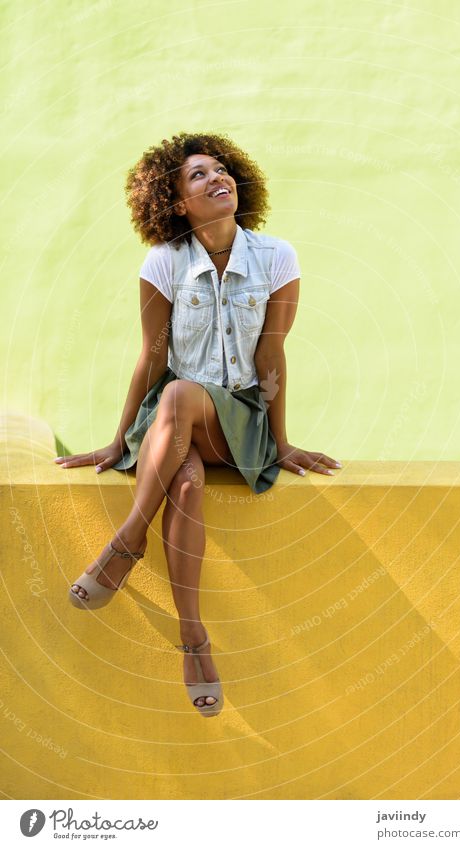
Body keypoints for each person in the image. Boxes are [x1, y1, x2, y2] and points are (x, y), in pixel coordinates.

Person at [54, 131, 342, 717]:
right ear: (176, 202)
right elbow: (153, 358)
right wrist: (117, 439)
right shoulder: (164, 262)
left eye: (221, 170)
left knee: (183, 396)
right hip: (172, 419)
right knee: (183, 481)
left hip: (237, 417)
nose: (218, 179)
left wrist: (280, 443)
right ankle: (194, 640)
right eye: (199, 176)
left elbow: (271, 355)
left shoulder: (276, 257)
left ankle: (124, 544)